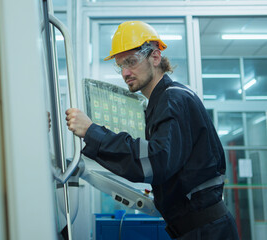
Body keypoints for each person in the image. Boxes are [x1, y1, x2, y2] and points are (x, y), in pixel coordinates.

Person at [65, 21, 239, 239]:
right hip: (198, 228)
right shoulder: (164, 101)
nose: (125, 72)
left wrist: (92, 132)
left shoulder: (172, 99)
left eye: (131, 61)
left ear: (155, 57)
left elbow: (156, 161)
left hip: (205, 232)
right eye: (120, 66)